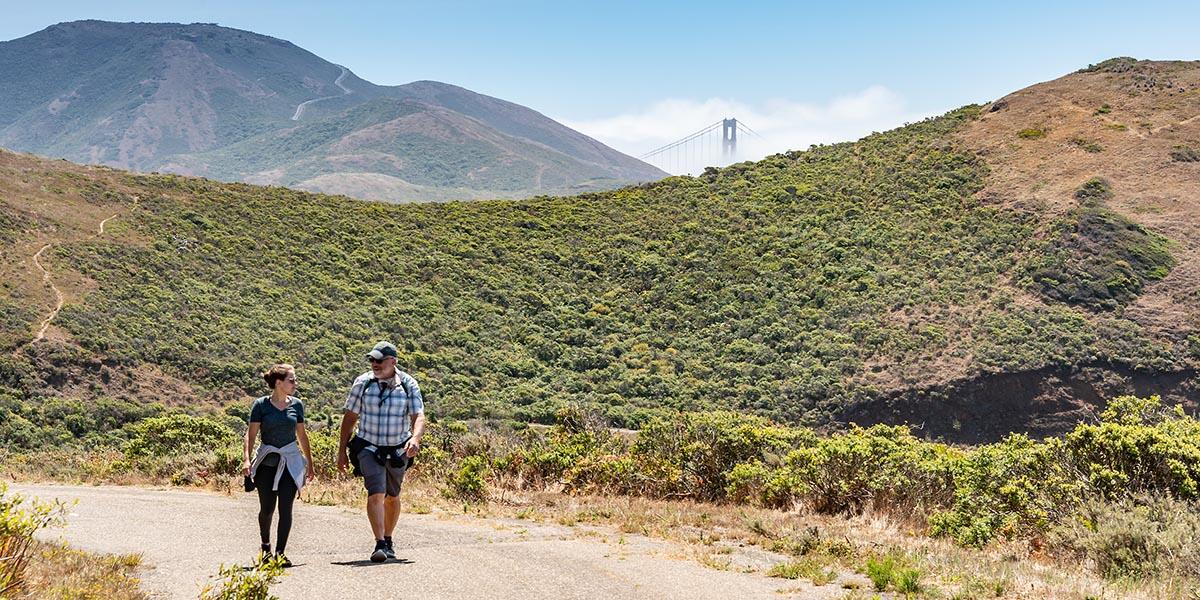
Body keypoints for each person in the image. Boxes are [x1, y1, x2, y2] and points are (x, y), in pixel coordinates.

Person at [337, 341, 426, 563]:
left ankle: (388, 539)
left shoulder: (408, 384)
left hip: (398, 449)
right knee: (376, 492)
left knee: (392, 497)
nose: (375, 364)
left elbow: (418, 416)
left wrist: (415, 438)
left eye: (379, 360)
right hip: (368, 446)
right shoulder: (362, 383)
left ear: (393, 362)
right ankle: (379, 543)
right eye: (372, 360)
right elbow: (349, 419)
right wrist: (341, 452)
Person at [243, 363, 316, 567]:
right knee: (267, 509)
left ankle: (280, 553)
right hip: (267, 462)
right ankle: (265, 547)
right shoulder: (261, 405)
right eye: (291, 380)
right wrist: (247, 459)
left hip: (290, 461)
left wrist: (309, 462)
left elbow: (301, 434)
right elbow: (250, 435)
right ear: (278, 383)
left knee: (286, 508)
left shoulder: (297, 405)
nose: (295, 384)